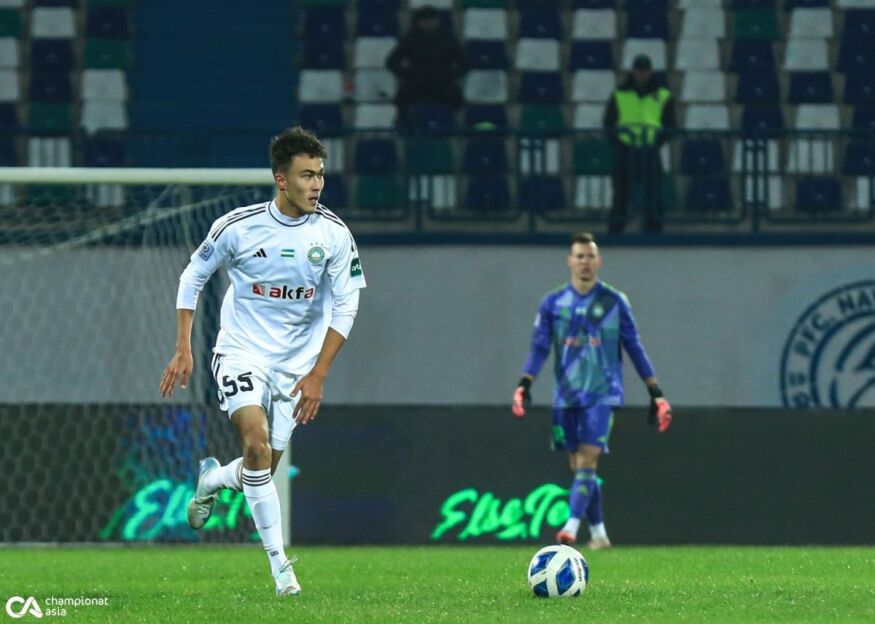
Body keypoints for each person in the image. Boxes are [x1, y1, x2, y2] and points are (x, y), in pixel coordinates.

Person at [159, 127, 366, 597]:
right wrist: (184, 346)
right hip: (241, 352)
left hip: (297, 368)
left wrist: (318, 373)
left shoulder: (333, 234)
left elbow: (347, 305)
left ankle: (213, 478)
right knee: (255, 444)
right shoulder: (239, 227)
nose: (317, 184)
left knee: (263, 468)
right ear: (281, 179)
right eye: (306, 175)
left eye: (320, 175)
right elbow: (193, 276)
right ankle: (281, 570)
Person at [511, 232, 672, 549]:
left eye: (590, 256)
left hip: (602, 393)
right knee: (579, 466)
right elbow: (539, 348)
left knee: (587, 460)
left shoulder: (614, 302)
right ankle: (599, 534)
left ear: (599, 261)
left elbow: (634, 347)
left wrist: (655, 391)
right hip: (566, 395)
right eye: (580, 256)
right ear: (569, 261)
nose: (585, 262)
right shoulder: (553, 303)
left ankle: (570, 528)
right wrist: (524, 384)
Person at [602, 54, 676, 234]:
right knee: (621, 191)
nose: (642, 75)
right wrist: (620, 142)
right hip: (626, 149)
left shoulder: (663, 95)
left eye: (645, 71)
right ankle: (615, 231)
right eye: (639, 71)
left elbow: (670, 124)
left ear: (650, 72)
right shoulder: (619, 94)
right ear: (633, 72)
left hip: (650, 149)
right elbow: (609, 122)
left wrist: (656, 142)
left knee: (654, 192)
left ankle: (654, 231)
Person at [386, 5, 467, 127]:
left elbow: (465, 62)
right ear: (419, 22)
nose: (428, 23)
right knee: (402, 97)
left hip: (442, 82)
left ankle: (451, 125)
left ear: (437, 21)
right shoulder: (410, 38)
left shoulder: (448, 38)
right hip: (416, 82)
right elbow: (391, 62)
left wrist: (450, 75)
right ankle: (404, 126)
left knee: (456, 97)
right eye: (424, 20)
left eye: (431, 19)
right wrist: (407, 74)